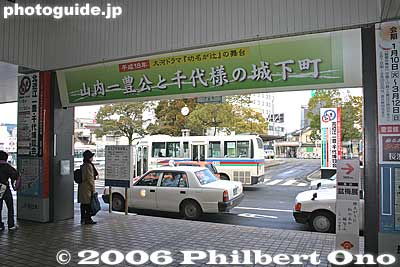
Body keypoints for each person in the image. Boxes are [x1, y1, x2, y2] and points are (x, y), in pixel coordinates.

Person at [0, 150, 19, 231]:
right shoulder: (7, 166)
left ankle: (0, 225)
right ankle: (11, 225)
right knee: (10, 207)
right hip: (5, 188)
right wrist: (15, 187)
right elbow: (16, 176)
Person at [78, 150, 98, 225]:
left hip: (82, 187)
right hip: (87, 188)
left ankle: (83, 219)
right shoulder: (89, 166)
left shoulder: (83, 165)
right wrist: (93, 189)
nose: (92, 158)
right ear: (89, 158)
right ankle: (88, 219)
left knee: (83, 204)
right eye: (91, 157)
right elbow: (90, 179)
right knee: (88, 204)